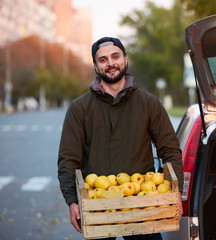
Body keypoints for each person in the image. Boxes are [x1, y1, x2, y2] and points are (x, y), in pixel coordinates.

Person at [57, 36, 184, 240]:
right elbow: (68, 159)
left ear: (125, 60)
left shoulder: (149, 103)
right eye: (103, 59)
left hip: (142, 204)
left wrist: (176, 191)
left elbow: (170, 149)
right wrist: (72, 200)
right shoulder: (79, 108)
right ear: (96, 67)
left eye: (115, 57)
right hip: (97, 207)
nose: (110, 64)